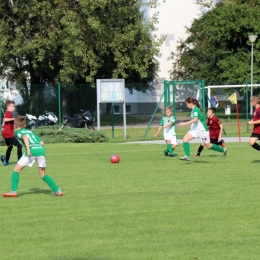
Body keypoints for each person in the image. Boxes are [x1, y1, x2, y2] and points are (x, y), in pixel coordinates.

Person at [2, 116, 63, 198]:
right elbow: (42, 143)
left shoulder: (18, 132)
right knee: (43, 174)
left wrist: (28, 149)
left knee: (16, 170)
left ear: (15, 125)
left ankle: (13, 191)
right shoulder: (30, 132)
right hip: (40, 151)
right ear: (25, 125)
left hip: (31, 151)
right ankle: (57, 191)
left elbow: (25, 137)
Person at [178, 97, 227, 161]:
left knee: (208, 146)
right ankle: (187, 156)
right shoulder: (193, 110)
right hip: (195, 129)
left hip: (202, 130)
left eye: (187, 104)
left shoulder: (196, 110)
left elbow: (195, 119)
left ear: (191, 103)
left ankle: (223, 150)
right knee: (185, 139)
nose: (186, 105)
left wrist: (184, 123)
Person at [1, 100, 22, 166]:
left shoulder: (8, 113)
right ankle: (20, 161)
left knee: (10, 146)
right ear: (8, 107)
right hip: (8, 133)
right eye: (13, 106)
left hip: (5, 133)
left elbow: (4, 123)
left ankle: (6, 161)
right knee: (19, 145)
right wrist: (13, 119)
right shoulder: (8, 112)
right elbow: (5, 119)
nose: (14, 108)